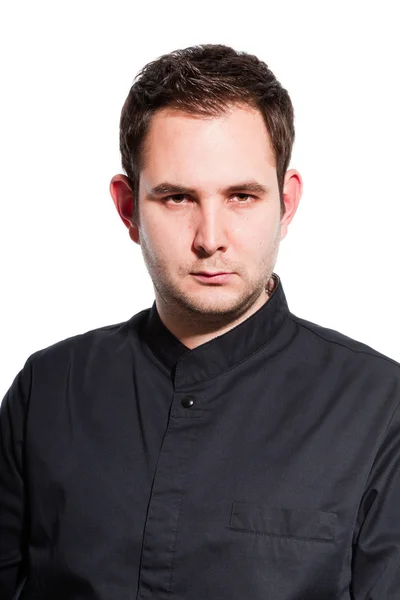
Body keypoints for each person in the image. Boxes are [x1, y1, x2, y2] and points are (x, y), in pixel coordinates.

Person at [1, 43, 399, 600]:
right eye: (177, 197)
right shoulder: (46, 390)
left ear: (286, 206)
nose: (210, 238)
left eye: (241, 196)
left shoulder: (382, 409)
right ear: (128, 208)